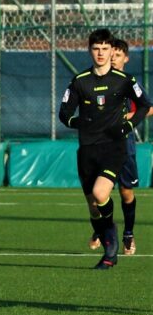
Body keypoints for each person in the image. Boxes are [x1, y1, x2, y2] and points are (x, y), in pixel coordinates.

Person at [59, 28, 151, 269]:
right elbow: (64, 113)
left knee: (102, 194)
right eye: (96, 49)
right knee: (93, 206)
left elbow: (145, 104)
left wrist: (128, 124)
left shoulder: (125, 80)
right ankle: (108, 236)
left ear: (112, 51)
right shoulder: (79, 82)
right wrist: (77, 122)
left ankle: (111, 245)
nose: (100, 53)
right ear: (90, 50)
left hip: (114, 147)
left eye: (105, 49)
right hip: (87, 149)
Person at [89, 38, 153, 255]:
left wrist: (125, 116)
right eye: (110, 54)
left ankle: (128, 234)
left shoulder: (129, 82)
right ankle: (102, 230)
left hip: (124, 146)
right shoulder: (95, 80)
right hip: (99, 146)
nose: (112, 58)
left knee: (126, 192)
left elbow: (149, 108)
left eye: (117, 55)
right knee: (97, 195)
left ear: (125, 58)